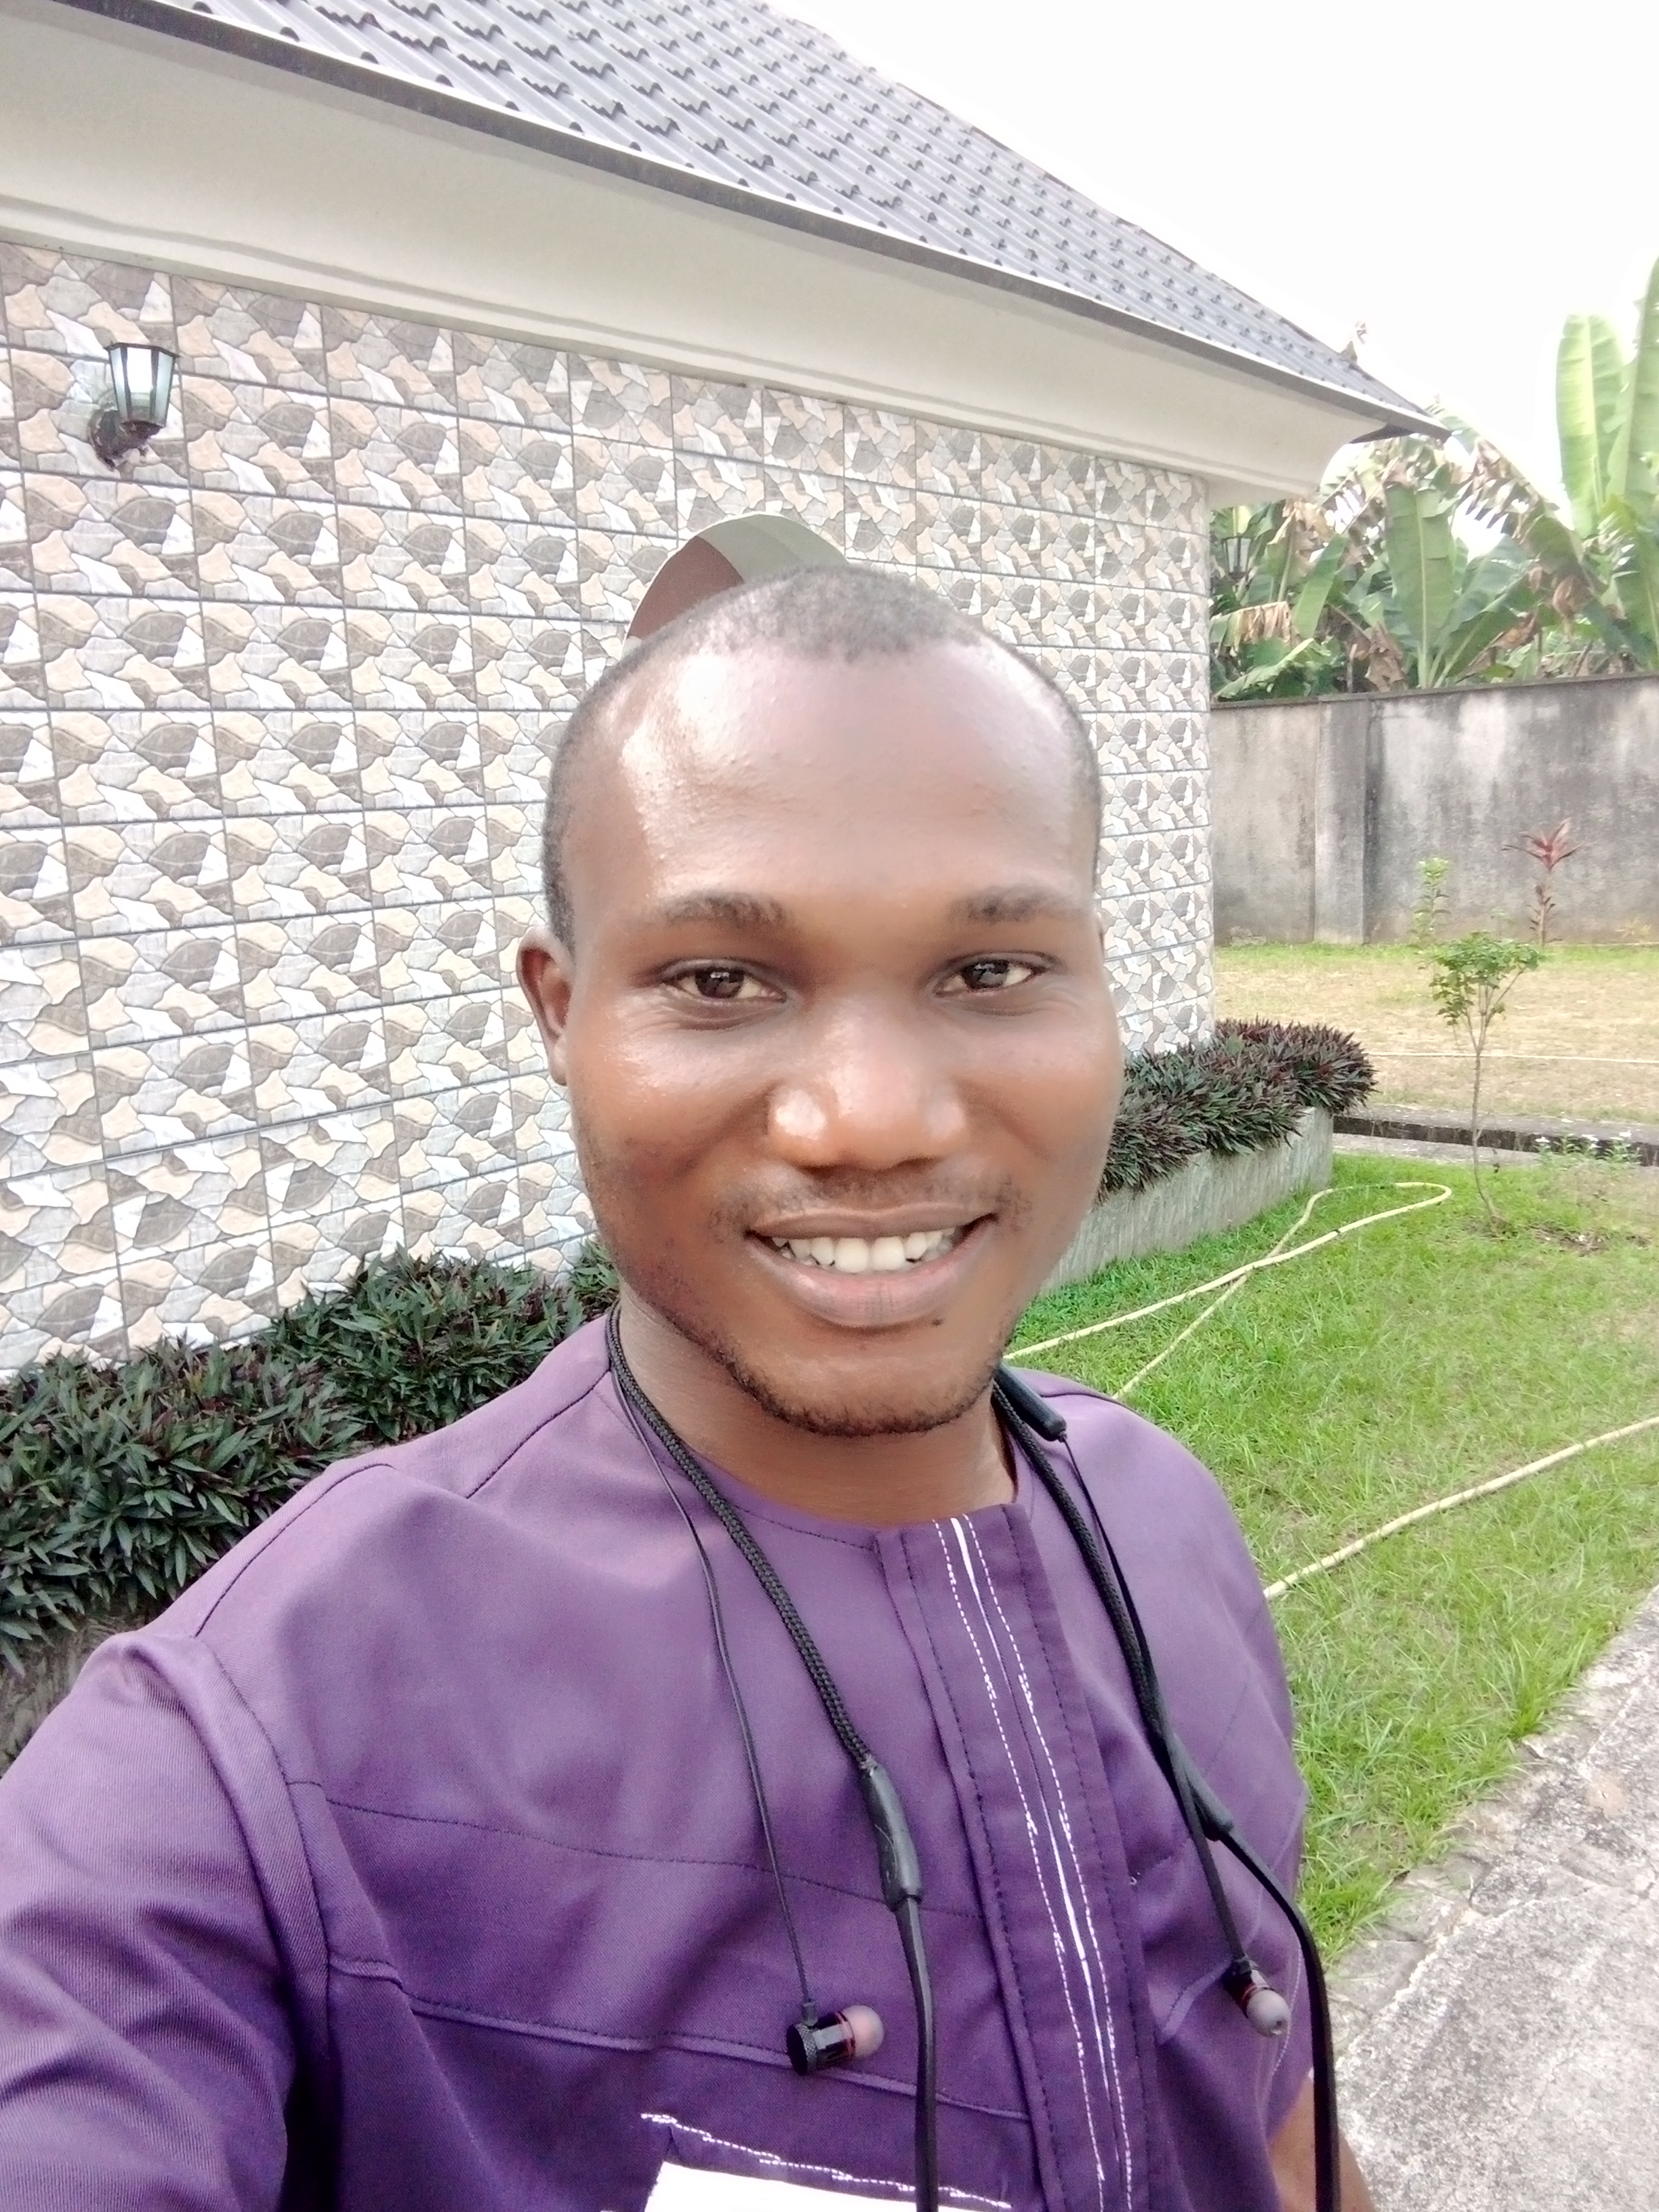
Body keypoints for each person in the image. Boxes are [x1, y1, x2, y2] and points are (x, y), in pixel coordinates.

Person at [0, 568, 1372, 2211]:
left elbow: (1268, 2106)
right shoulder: (253, 1744)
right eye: (722, 981)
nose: (870, 1118)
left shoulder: (1160, 1520)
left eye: (990, 970)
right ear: (563, 1016)